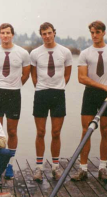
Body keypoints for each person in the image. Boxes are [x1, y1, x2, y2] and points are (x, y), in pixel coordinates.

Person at [71, 21, 107, 182]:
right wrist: (105, 87)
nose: (94, 35)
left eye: (97, 32)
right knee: (86, 131)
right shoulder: (85, 53)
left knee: (105, 131)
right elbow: (82, 78)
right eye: (92, 32)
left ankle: (103, 168)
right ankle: (83, 169)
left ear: (103, 33)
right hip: (91, 94)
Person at [0, 23, 30, 179]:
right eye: (3, 33)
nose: (5, 35)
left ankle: (10, 164)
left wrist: (14, 85)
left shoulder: (23, 53)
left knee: (11, 131)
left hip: (14, 95)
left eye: (8, 33)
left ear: (12, 34)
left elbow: (26, 74)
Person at [30, 22, 72, 181]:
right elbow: (33, 75)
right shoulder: (35, 53)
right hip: (41, 94)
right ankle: (39, 168)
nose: (47, 36)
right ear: (41, 35)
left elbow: (68, 74)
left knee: (56, 132)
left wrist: (59, 86)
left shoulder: (65, 52)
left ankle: (55, 167)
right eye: (44, 34)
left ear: (54, 33)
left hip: (58, 95)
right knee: (40, 132)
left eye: (49, 33)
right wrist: (41, 87)